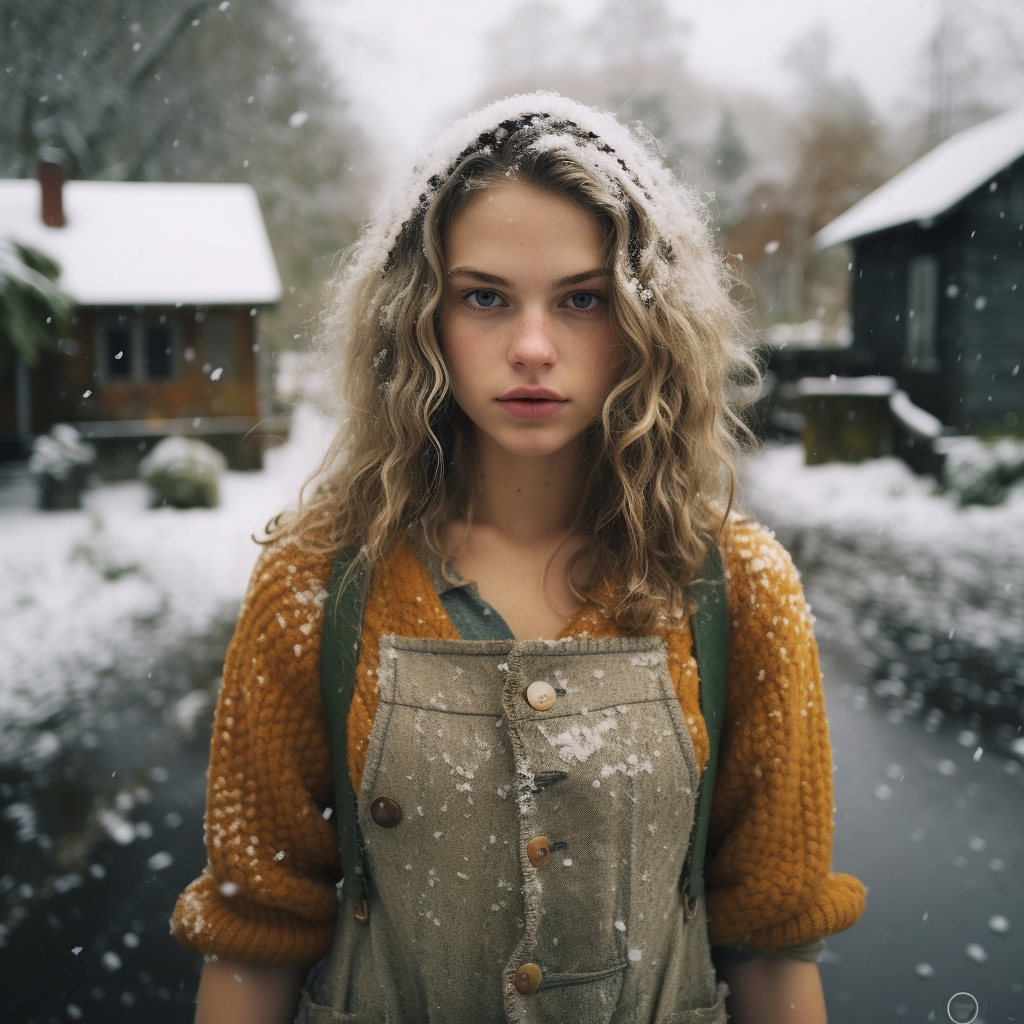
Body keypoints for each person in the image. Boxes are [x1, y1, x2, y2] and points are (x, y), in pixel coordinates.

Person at [172, 93, 865, 1024]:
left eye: (583, 299)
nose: (532, 348)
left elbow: (773, 951)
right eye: (485, 297)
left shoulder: (740, 588)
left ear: (647, 321)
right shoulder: (316, 580)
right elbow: (256, 938)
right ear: (420, 316)